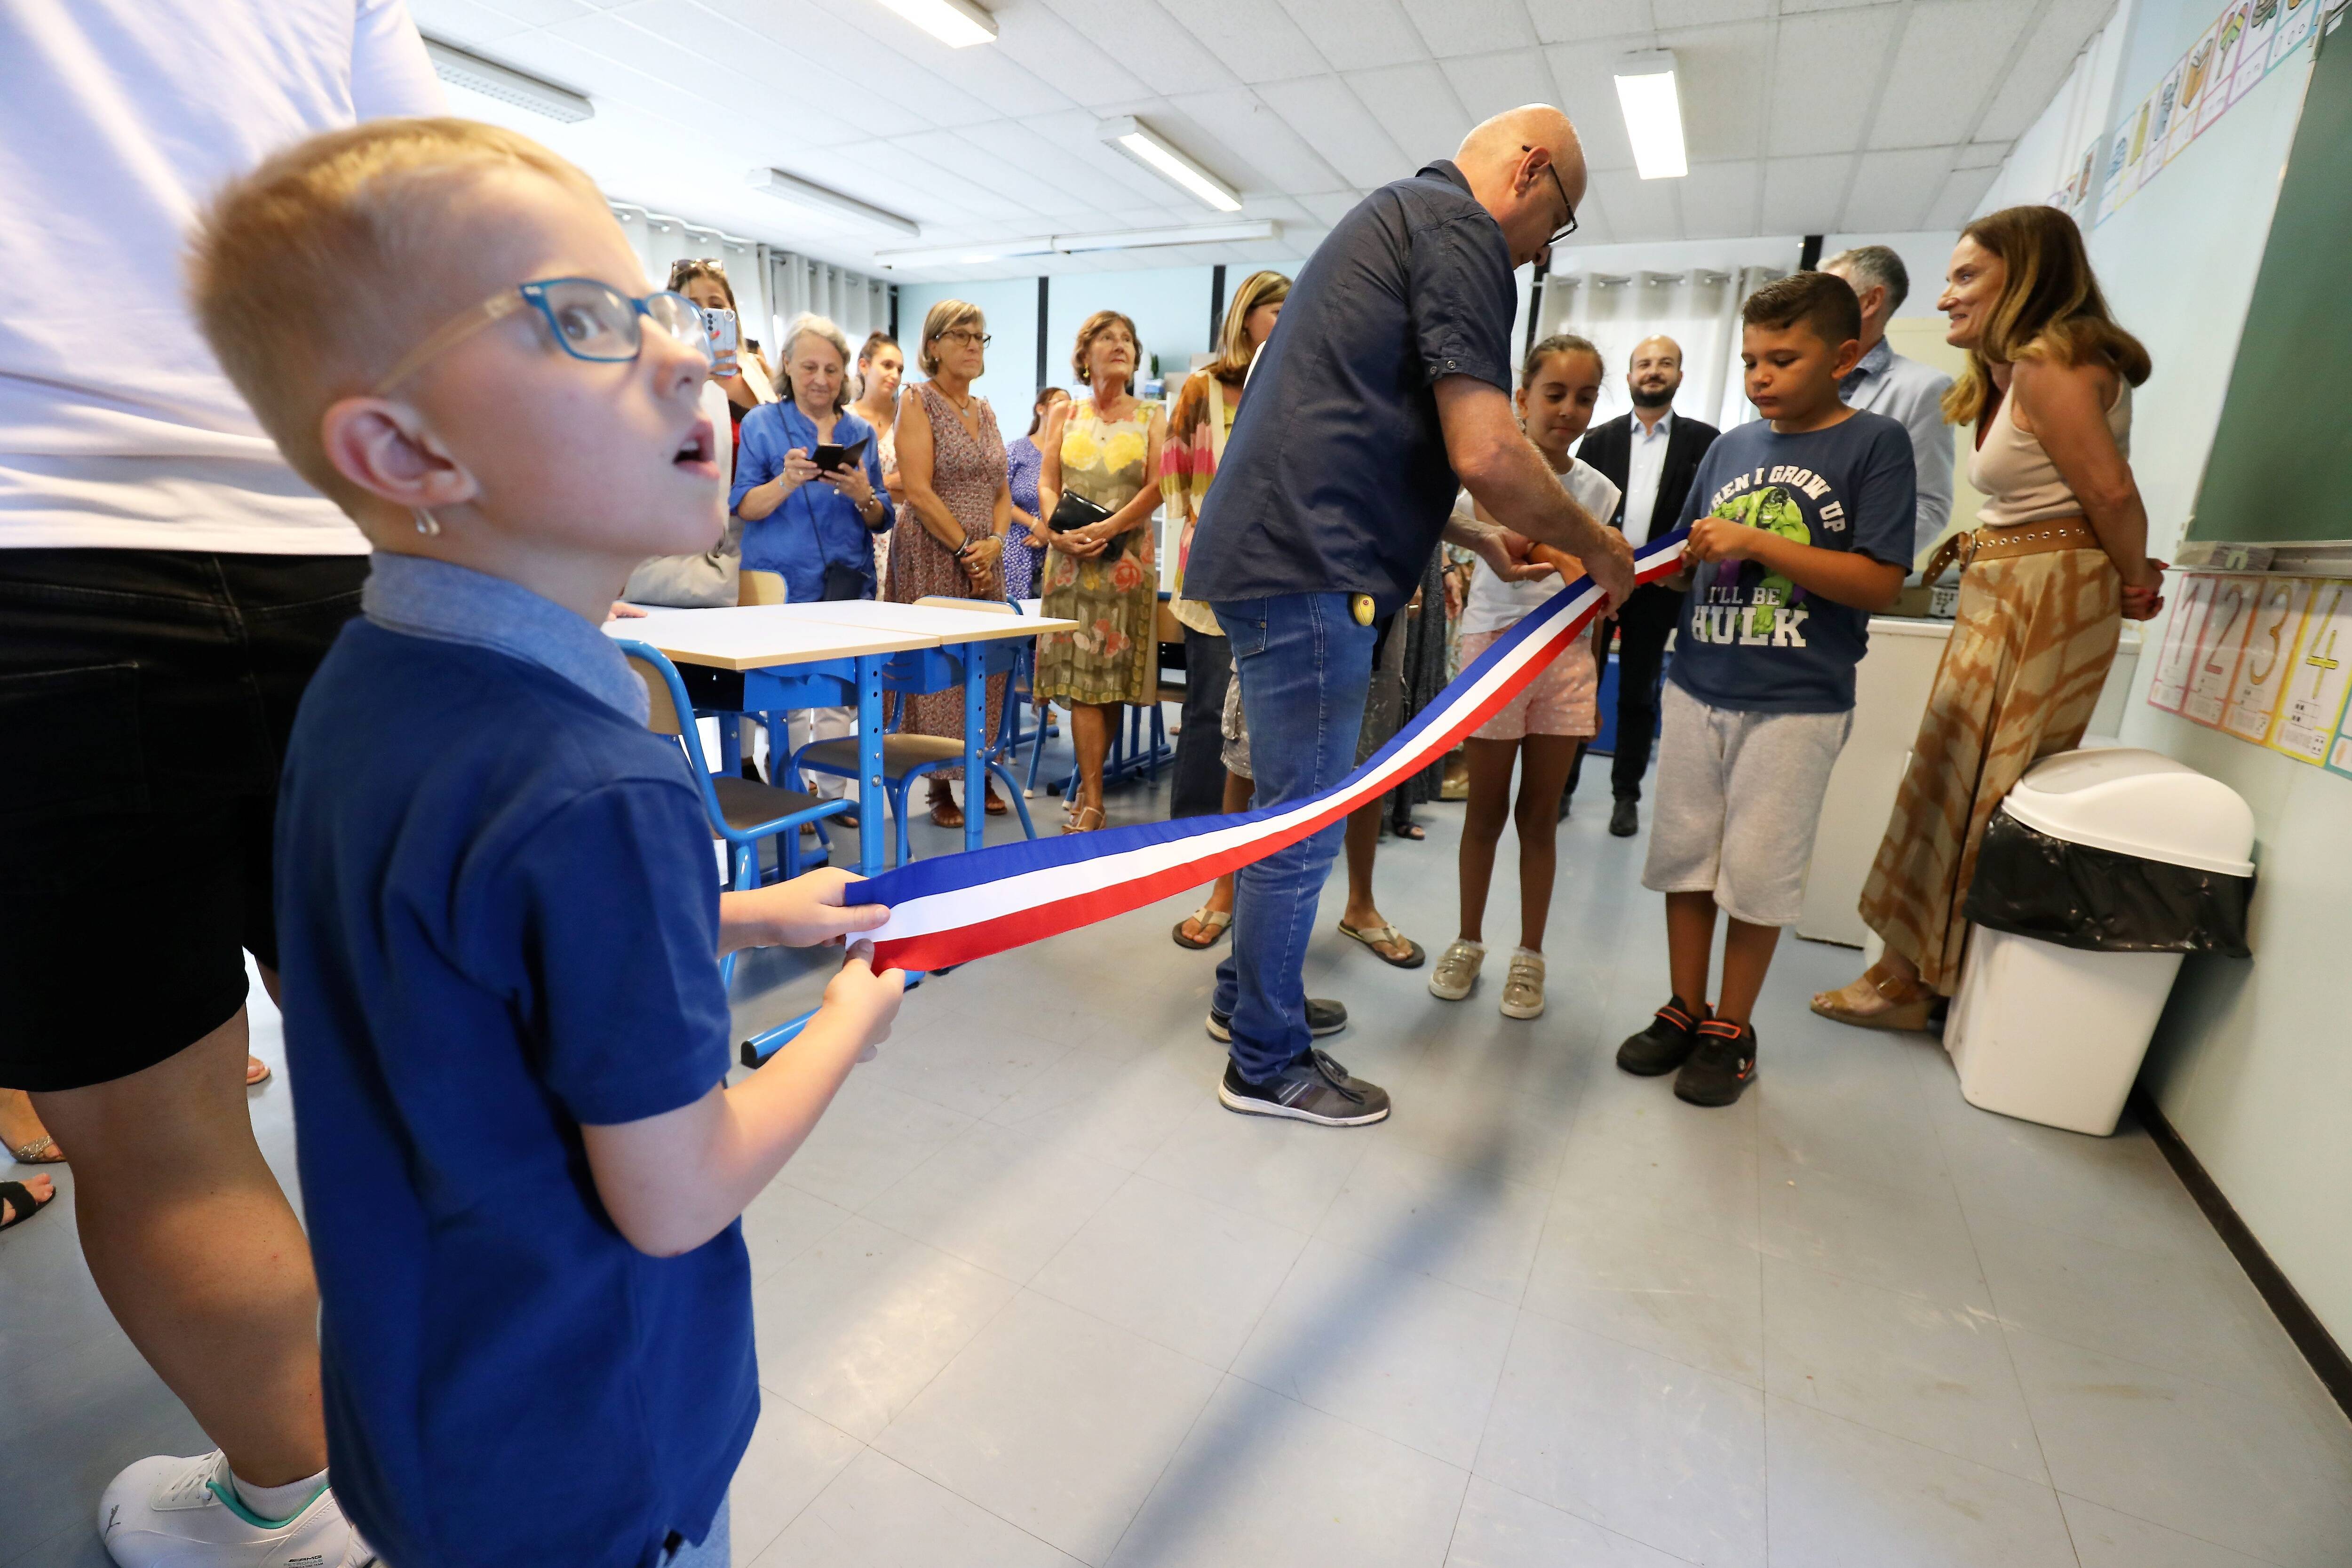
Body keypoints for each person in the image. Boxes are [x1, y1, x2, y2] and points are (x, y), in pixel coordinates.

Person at [189, 116, 903, 1568]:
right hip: (596, 1460)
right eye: (586, 322)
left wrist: (747, 914)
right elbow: (679, 1187)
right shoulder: (602, 783)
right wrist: (850, 1014)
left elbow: (469, 939)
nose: (688, 358)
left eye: (664, 312)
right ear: (405, 447)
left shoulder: (368, 680)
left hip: (422, 1417)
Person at [0, 5, 443, 1562]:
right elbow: (434, 212)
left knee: (164, 1138)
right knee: (424, 1060)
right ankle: (454, 1446)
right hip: (335, 552)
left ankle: (304, 1511)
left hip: (41, 548)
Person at [1184, 105, 1636, 1126]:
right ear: (1530, 171)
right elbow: (1488, 450)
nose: (1540, 252)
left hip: (1282, 553)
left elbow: (1369, 432)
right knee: (1302, 822)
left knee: (1286, 809)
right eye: (1556, 223)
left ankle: (1248, 998)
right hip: (1310, 566)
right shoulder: (1460, 230)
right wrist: (1601, 547)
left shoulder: (1399, 217)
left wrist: (1477, 537)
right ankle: (1265, 1061)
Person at [1817, 208, 2162, 1029]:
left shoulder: (2051, 364)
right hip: (2011, 587)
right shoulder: (2008, 376)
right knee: (1948, 779)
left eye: (1967, 276)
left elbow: (2110, 492)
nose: (1946, 297)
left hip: (2048, 594)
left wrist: (2135, 580)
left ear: (2029, 276)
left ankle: (1927, 981)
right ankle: (1914, 972)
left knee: (1985, 788)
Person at [1612, 271, 1914, 1109]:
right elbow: (1692, 554)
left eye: (1784, 358)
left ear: (1844, 358)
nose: (1761, 376)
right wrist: (1638, 567)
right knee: (1686, 858)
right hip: (1697, 682)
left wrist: (1757, 541)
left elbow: (1879, 581)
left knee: (1757, 871)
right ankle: (1685, 1006)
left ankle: (1731, 1027)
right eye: (1750, 360)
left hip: (1796, 702)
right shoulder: (1730, 449)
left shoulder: (1876, 444)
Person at [1429, 335, 1620, 1019]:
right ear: (1521, 398)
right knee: (1484, 813)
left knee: (1540, 818)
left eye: (1585, 398)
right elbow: (1501, 529)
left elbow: (1604, 587)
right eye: (1554, 394)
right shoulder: (1493, 468)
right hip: (1496, 649)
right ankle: (1467, 940)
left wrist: (1592, 679)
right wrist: (1571, 556)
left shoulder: (1599, 490)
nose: (1568, 409)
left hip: (1568, 656)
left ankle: (1529, 955)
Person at [731, 314, 890, 793]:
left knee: (839, 695)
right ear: (786, 365)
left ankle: (835, 794)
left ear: (845, 373)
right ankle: (794, 792)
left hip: (847, 582)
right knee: (791, 699)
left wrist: (863, 493)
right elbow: (744, 506)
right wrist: (786, 481)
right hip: (779, 585)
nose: (821, 379)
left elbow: (881, 517)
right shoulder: (761, 424)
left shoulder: (860, 431)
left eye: (831, 369)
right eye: (809, 367)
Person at [1570, 334, 1720, 836]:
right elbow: (1578, 510)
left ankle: (1625, 796)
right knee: (1579, 688)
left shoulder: (1706, 443)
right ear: (1630, 375)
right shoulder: (1598, 440)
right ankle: (1563, 789)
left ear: (1680, 375)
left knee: (1638, 693)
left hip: (1660, 589)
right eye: (1644, 364)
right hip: (1597, 586)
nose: (1654, 371)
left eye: (1665, 363)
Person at [1163, 271, 1290, 834]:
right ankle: (1192, 831)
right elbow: (1175, 471)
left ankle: (1241, 829)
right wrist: (1206, 521)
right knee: (1209, 704)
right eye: (1277, 311)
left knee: (1258, 709)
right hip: (1213, 569)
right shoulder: (1202, 388)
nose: (1287, 322)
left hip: (1271, 570)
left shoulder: (1290, 384)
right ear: (1245, 318)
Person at [1034, 311, 1168, 835]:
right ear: (1084, 355)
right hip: (1069, 563)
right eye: (1107, 338)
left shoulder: (1153, 415)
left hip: (1125, 564)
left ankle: (1091, 793)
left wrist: (1110, 527)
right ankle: (1093, 799)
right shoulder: (1063, 413)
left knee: (1107, 685)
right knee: (1083, 685)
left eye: (1127, 340)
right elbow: (1048, 481)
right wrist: (1057, 531)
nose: (1120, 345)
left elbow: (1158, 486)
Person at [893, 300, 1013, 828]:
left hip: (984, 556)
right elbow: (918, 490)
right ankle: (937, 784)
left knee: (982, 667)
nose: (972, 345)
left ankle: (977, 770)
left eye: (979, 336)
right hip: (933, 553)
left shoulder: (986, 410)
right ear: (933, 345)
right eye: (960, 335)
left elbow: (1002, 490)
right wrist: (967, 549)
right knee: (937, 669)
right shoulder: (916, 400)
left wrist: (995, 544)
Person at [1820, 245, 1956, 563]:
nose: (1809, 308)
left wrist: (1855, 564)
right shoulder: (1801, 378)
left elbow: (1929, 505)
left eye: (1825, 295)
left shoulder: (1924, 388)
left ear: (1870, 302)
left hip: (1844, 572)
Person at [667, 259, 776, 441]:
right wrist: (693, 385)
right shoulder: (666, 378)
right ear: (676, 315)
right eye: (693, 307)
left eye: (716, 307)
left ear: (731, 312)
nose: (705, 315)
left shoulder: (756, 367)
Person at [847, 330, 905, 590]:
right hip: (858, 527)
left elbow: (920, 481)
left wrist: (870, 486)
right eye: (887, 365)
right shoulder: (845, 419)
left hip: (903, 528)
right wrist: (890, 483)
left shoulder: (908, 417)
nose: (895, 375)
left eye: (900, 370)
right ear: (864, 366)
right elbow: (842, 483)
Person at [1005, 385, 1068, 603]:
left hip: (1058, 548)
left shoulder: (1069, 455)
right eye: (1059, 403)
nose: (1065, 409)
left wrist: (1049, 535)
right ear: (1041, 409)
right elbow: (998, 499)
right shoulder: (1017, 450)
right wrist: (1036, 526)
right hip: (1018, 548)